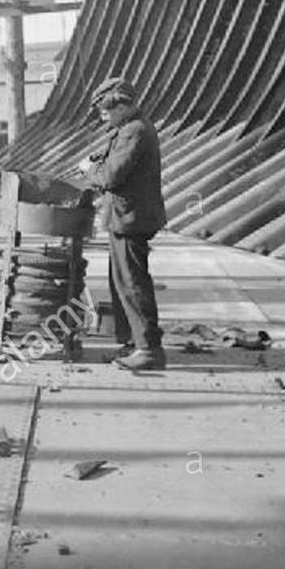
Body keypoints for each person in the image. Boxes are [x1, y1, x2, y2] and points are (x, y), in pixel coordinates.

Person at [80, 77, 168, 371]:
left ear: (121, 104)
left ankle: (149, 349)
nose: (101, 115)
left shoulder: (135, 131)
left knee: (132, 283)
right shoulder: (127, 129)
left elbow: (110, 177)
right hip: (126, 217)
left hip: (131, 219)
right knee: (123, 282)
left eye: (106, 109)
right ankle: (134, 341)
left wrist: (89, 170)